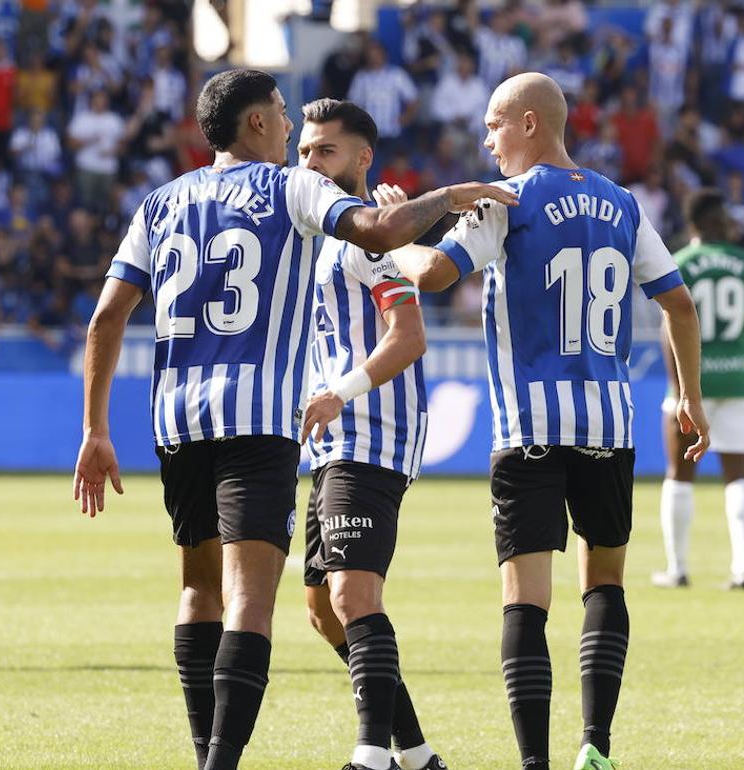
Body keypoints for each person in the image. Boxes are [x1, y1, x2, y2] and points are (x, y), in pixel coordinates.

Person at [73, 68, 514, 770]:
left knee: (198, 590)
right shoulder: (290, 188)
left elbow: (104, 319)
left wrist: (96, 429)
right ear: (257, 125)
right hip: (259, 421)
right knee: (253, 601)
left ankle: (235, 756)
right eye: (281, 116)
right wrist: (448, 197)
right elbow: (379, 224)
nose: (290, 133)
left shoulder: (160, 201)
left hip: (177, 419)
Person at [390, 73, 709, 770]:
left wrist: (390, 242)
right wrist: (690, 396)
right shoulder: (623, 203)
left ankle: (535, 763)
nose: (487, 140)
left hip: (529, 430)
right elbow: (679, 306)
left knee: (526, 601)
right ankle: (596, 748)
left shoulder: (506, 199)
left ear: (530, 124)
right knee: (606, 586)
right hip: (608, 428)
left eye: (494, 124)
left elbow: (437, 275)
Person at [296, 98, 447, 770]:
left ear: (361, 158)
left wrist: (341, 391)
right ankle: (415, 754)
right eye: (303, 151)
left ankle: (369, 756)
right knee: (324, 612)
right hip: (330, 441)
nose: (310, 162)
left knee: (354, 594)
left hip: (371, 432)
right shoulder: (318, 234)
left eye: (325, 151)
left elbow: (408, 337)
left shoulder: (375, 241)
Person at [653, 189, 744, 591]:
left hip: (690, 384)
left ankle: (677, 568)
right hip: (736, 378)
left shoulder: (678, 262)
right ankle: (743, 567)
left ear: (691, 223)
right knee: (737, 475)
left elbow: (669, 328)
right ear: (718, 219)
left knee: (679, 475)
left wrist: (680, 385)